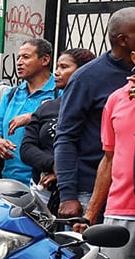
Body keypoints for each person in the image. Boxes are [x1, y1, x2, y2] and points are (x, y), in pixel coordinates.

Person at [55, 7, 135, 220]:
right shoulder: (87, 78)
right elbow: (66, 136)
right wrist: (68, 194)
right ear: (124, 41)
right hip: (94, 191)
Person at [85, 30, 135, 259]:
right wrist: (91, 213)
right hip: (121, 212)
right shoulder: (116, 99)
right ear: (133, 57)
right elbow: (109, 159)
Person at [20, 48, 96, 204]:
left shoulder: (95, 109)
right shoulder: (46, 108)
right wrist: (53, 164)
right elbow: (27, 148)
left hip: (82, 192)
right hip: (41, 190)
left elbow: (93, 150)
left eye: (64, 67)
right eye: (57, 67)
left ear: (83, 71)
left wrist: (62, 172)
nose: (57, 72)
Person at [0, 39, 56, 185]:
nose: (19, 62)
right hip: (9, 181)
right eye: (18, 57)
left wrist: (32, 117)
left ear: (45, 60)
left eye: (26, 57)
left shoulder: (59, 93)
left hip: (43, 183)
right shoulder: (11, 94)